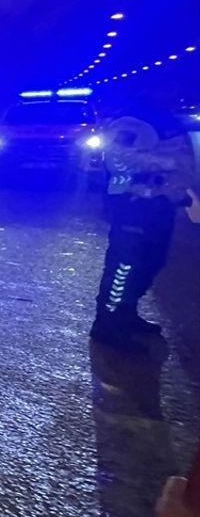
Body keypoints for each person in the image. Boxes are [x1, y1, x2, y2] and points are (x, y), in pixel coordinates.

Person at [90, 99, 196, 352]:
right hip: (134, 203)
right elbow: (118, 158)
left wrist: (177, 188)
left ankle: (127, 313)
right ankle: (109, 324)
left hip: (161, 203)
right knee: (125, 267)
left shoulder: (165, 119)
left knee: (152, 262)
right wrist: (167, 164)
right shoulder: (130, 121)